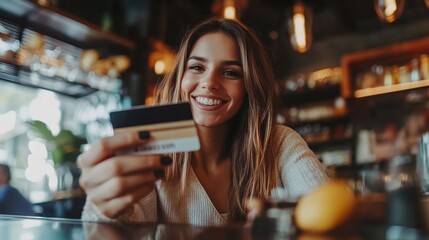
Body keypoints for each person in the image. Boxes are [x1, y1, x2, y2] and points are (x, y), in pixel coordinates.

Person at [78, 17, 329, 226]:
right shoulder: (153, 145)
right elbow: (126, 230)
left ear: (250, 87)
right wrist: (105, 210)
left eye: (230, 72)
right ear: (180, 78)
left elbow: (327, 210)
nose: (209, 82)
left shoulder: (278, 142)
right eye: (197, 67)